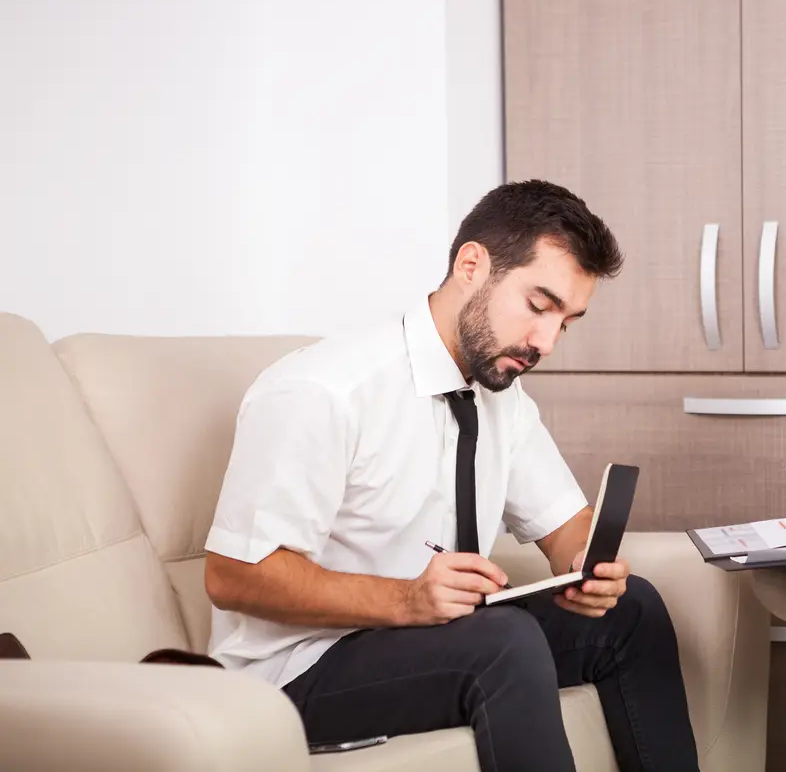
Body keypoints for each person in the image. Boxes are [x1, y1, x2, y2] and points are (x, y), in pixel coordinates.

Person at [202, 180, 699, 772]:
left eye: (566, 322)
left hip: (435, 639)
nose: (546, 342)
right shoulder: (323, 391)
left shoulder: (500, 396)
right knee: (503, 642)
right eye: (538, 306)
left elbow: (566, 526)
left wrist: (587, 566)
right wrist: (407, 600)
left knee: (632, 610)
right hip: (299, 670)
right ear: (472, 266)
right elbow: (232, 575)